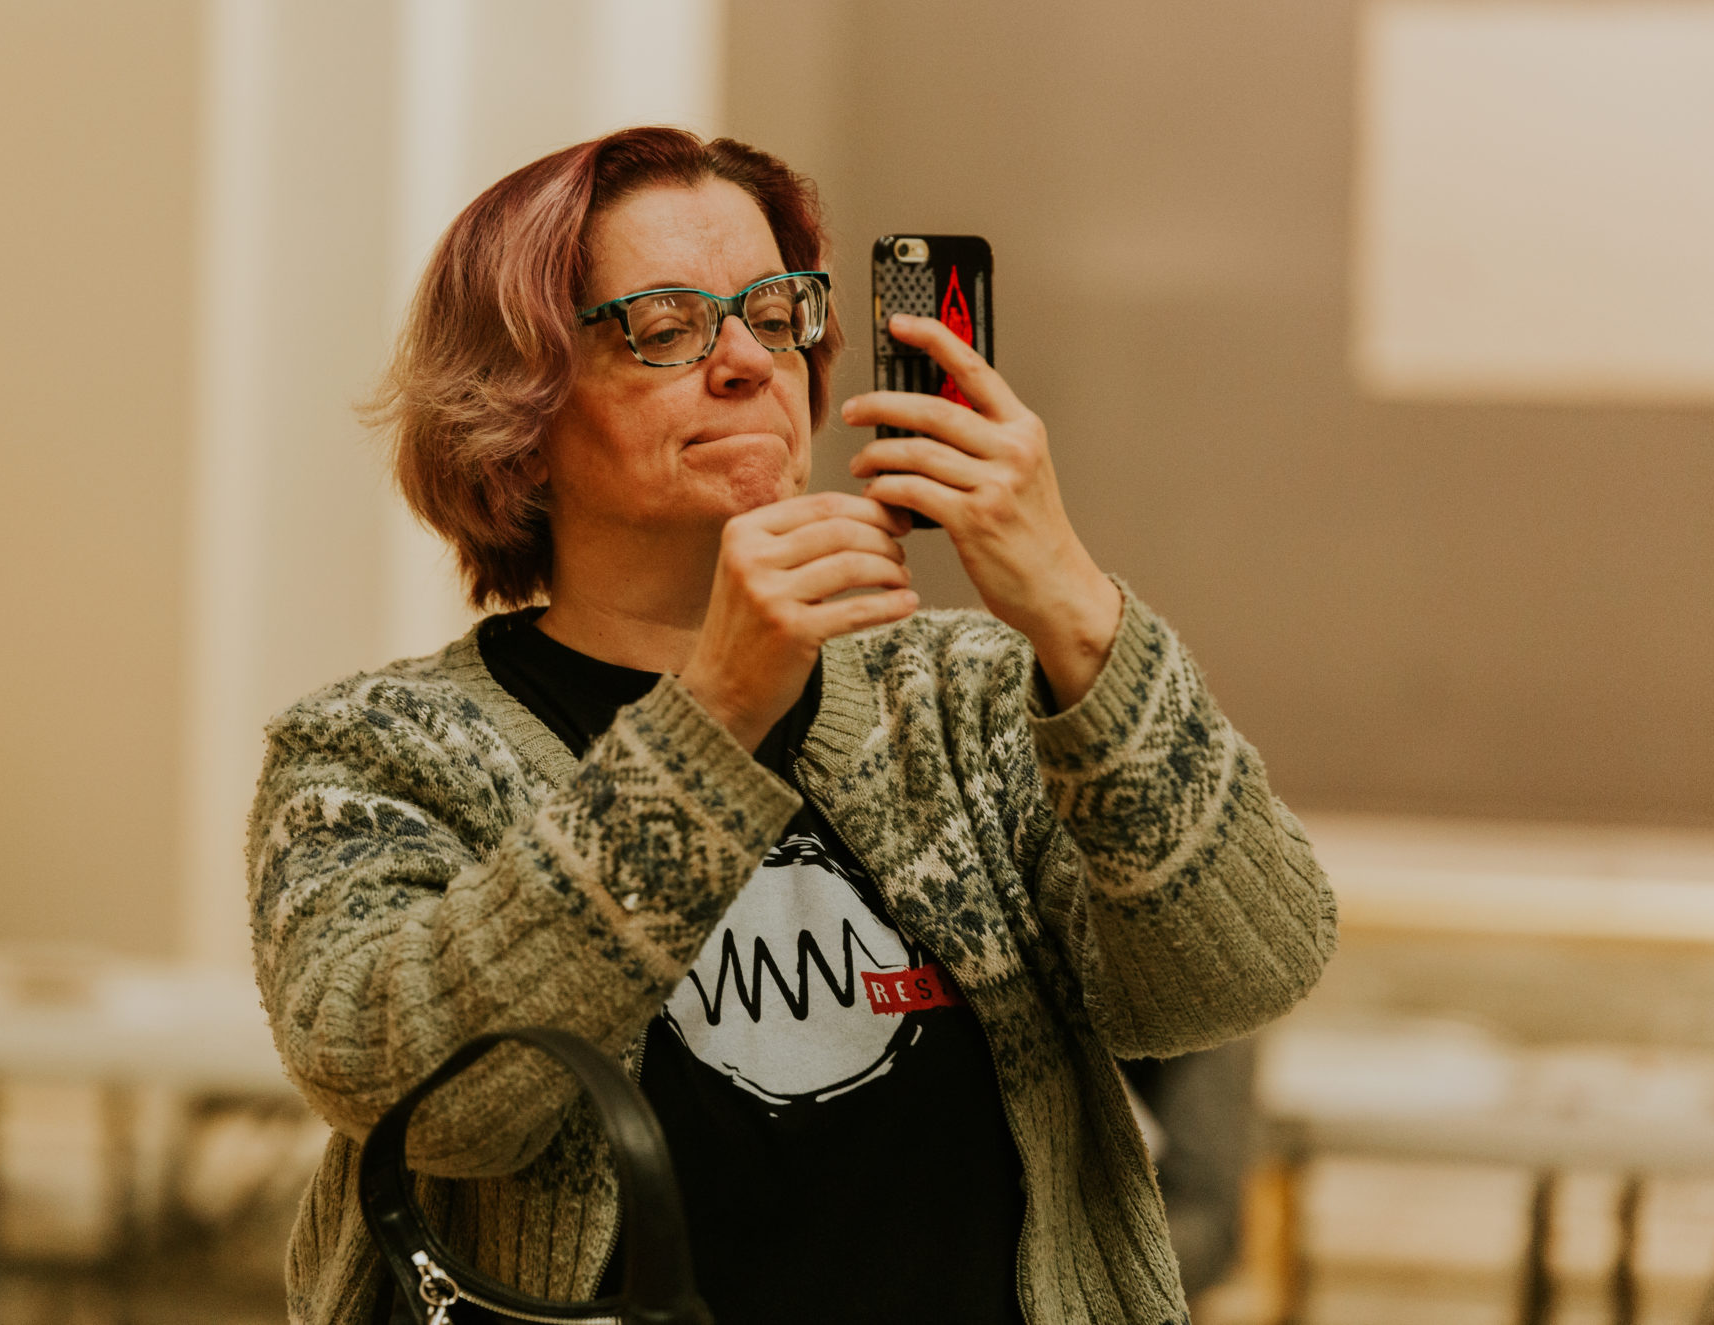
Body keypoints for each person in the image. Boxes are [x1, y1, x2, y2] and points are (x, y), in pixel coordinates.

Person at [248, 126, 1336, 1325]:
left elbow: (1240, 975)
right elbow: (430, 1104)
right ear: (517, 412)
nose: (745, 363)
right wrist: (712, 718)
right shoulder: (377, 750)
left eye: (774, 316)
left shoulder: (962, 701)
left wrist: (1074, 607)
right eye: (665, 326)